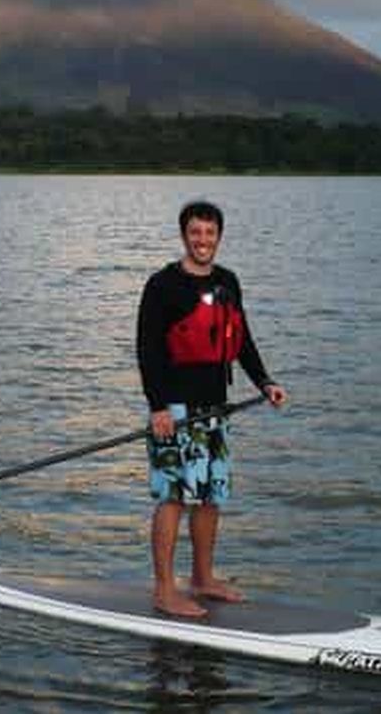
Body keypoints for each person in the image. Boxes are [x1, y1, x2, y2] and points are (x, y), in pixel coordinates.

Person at [137, 199, 287, 618]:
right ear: (184, 235)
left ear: (219, 236)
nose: (203, 240)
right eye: (195, 232)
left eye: (210, 233)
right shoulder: (163, 285)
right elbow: (147, 351)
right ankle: (164, 590)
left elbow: (241, 340)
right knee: (172, 497)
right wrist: (159, 407)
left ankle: (202, 578)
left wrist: (266, 382)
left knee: (209, 496)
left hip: (216, 409)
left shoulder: (228, 282)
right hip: (176, 410)